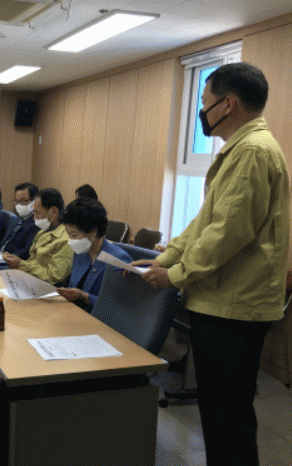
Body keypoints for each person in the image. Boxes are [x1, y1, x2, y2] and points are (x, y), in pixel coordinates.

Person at [133, 63, 290, 466]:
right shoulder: (242, 149)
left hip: (233, 308)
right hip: (224, 303)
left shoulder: (252, 152)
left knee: (228, 419)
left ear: (228, 104)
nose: (202, 112)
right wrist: (165, 259)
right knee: (221, 415)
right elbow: (205, 223)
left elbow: (228, 234)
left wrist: (176, 275)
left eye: (205, 103)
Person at [56, 198, 132, 312]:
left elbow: (118, 307)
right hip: (73, 312)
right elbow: (73, 286)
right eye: (68, 234)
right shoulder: (81, 253)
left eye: (74, 235)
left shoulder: (118, 259)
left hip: (99, 319)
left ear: (93, 231)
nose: (70, 240)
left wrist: (84, 297)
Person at [2, 188, 73, 285]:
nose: (34, 217)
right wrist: (15, 260)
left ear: (54, 212)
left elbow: (54, 277)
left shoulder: (66, 239)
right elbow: (32, 262)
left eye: (37, 213)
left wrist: (21, 264)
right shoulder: (42, 232)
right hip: (30, 281)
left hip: (47, 288)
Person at [0, 182, 40, 259]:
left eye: (24, 201)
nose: (19, 205)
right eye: (17, 201)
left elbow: (27, 252)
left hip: (12, 260)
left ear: (35, 200)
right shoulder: (19, 219)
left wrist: (6, 257)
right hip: (0, 255)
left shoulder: (37, 223)